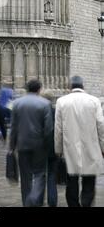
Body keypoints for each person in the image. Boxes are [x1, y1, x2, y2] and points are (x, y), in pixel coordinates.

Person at [55, 75, 104, 207]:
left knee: (71, 180)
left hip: (69, 148)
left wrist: (58, 149)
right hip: (91, 147)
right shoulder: (94, 101)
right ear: (83, 86)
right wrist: (103, 148)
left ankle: (74, 205)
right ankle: (86, 204)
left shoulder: (61, 101)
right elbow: (101, 126)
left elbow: (58, 129)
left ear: (70, 87)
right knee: (89, 180)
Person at [9, 79, 53, 207]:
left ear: (27, 88)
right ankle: (34, 197)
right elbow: (49, 128)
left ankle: (26, 202)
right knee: (40, 174)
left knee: (25, 176)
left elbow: (13, 127)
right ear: (39, 89)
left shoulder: (17, 103)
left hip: (22, 145)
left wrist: (12, 146)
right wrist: (48, 145)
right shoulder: (45, 104)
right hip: (40, 145)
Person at [41, 89, 58, 207]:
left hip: (40, 148)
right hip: (53, 148)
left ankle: (39, 199)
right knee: (52, 176)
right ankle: (52, 201)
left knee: (40, 175)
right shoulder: (56, 111)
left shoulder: (38, 112)